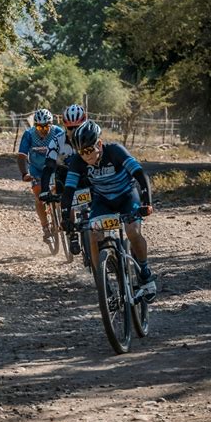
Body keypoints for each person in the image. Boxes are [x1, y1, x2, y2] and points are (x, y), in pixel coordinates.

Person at [60, 120, 156, 300]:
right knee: (93, 236)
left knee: (132, 231)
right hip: (103, 201)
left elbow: (140, 175)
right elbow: (68, 191)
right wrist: (66, 218)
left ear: (99, 144)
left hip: (127, 196)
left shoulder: (115, 151)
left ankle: (144, 272)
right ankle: (102, 282)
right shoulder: (78, 162)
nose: (86, 156)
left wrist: (147, 203)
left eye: (89, 150)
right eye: (81, 152)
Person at [39, 104, 87, 254]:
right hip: (65, 176)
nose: (73, 131)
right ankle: (72, 234)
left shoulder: (91, 136)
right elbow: (48, 167)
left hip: (88, 175)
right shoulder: (56, 141)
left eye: (77, 127)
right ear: (65, 126)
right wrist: (44, 190)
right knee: (66, 199)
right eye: (70, 128)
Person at [17, 108, 61, 242]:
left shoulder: (58, 132)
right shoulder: (29, 134)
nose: (42, 129)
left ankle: (59, 214)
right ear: (34, 125)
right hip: (37, 170)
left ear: (51, 124)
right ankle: (45, 227)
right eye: (39, 126)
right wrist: (24, 173)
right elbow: (22, 156)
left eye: (46, 126)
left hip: (54, 167)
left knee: (60, 192)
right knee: (38, 196)